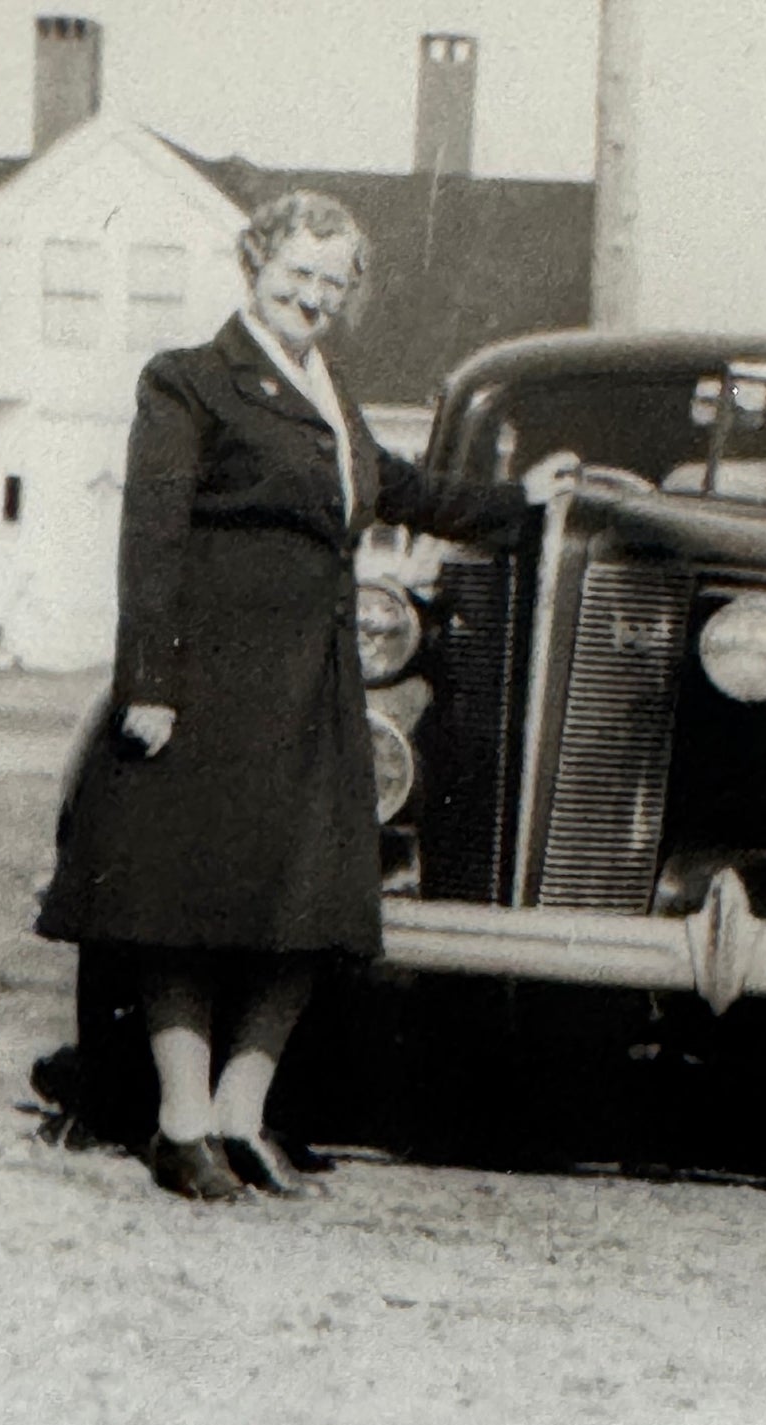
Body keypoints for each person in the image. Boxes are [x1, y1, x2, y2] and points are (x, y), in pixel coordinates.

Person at [36, 190, 529, 1200]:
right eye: (295, 271)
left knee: (310, 907)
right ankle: (180, 1123)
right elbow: (151, 541)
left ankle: (240, 1114)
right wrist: (151, 684)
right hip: (210, 682)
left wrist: (525, 504)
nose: (312, 293)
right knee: (184, 905)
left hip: (311, 686)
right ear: (253, 265)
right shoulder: (190, 383)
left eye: (331, 279)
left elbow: (396, 488)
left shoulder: (326, 390)